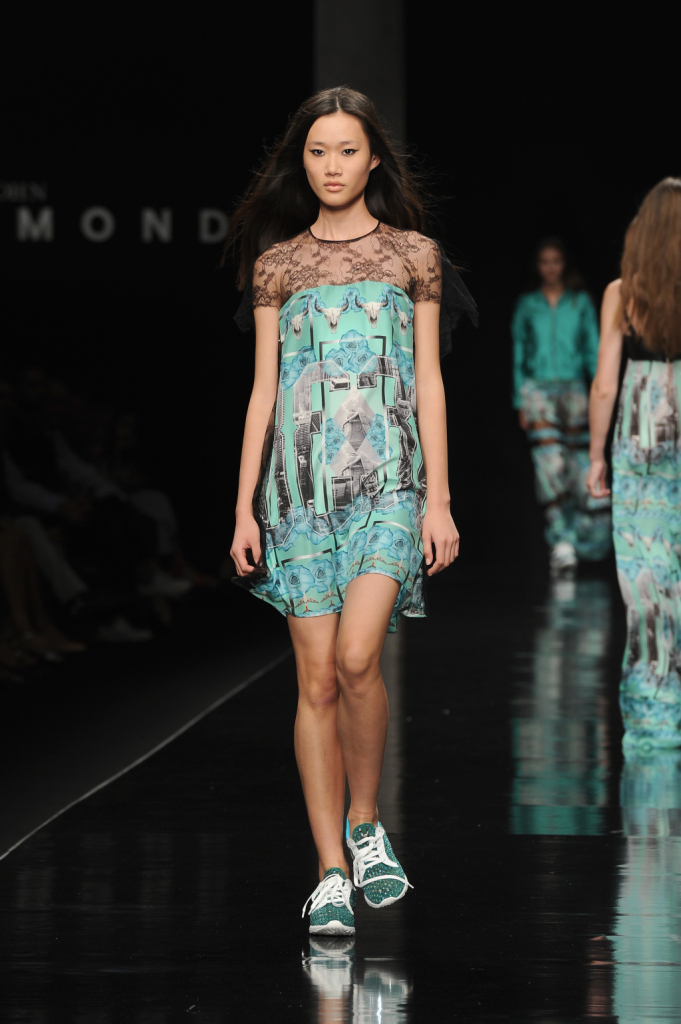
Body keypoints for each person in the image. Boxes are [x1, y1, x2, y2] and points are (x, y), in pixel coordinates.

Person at [226, 87, 476, 935]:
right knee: (317, 679)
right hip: (297, 493)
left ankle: (365, 824)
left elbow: (428, 380)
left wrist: (439, 501)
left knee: (359, 656)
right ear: (301, 162)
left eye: (346, 150)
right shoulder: (277, 265)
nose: (331, 166)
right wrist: (243, 508)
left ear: (373, 160)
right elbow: (263, 393)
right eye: (316, 151)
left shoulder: (413, 256)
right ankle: (330, 870)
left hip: (391, 484)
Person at [587, 177, 681, 750]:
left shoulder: (623, 294)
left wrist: (596, 455)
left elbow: (605, 384)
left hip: (644, 426)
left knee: (647, 575)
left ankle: (654, 718)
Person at [512, 238, 611, 573]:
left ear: (564, 263)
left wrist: (600, 393)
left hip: (576, 391)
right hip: (538, 391)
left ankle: (586, 541)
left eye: (556, 260)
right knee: (550, 466)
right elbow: (519, 351)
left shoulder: (580, 302)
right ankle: (562, 540)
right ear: (537, 265)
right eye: (545, 261)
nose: (551, 267)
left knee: (579, 466)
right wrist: (519, 399)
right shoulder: (528, 304)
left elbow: (594, 350)